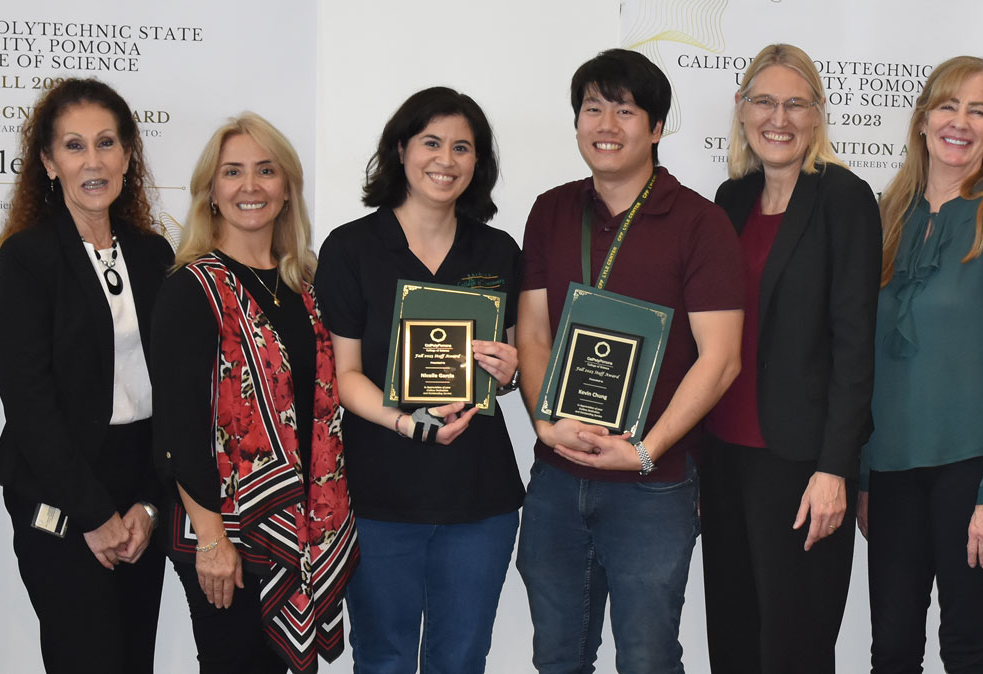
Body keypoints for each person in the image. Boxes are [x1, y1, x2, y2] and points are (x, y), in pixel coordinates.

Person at [514, 48, 743, 674]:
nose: (606, 125)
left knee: (646, 658)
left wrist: (644, 449)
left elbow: (720, 360)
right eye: (593, 109)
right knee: (557, 655)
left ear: (658, 127)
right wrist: (544, 425)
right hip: (557, 476)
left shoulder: (701, 222)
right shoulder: (551, 210)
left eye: (625, 110)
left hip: (654, 484)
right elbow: (531, 336)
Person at [315, 87, 522, 674]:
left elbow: (509, 366)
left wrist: (509, 372)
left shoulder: (499, 250)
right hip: (380, 495)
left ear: (478, 164)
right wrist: (409, 423)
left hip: (480, 498)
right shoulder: (351, 248)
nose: (446, 159)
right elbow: (345, 376)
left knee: (461, 659)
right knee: (384, 658)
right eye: (432, 142)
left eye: (463, 148)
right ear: (401, 149)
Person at [151, 113, 358, 674]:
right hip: (226, 530)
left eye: (266, 171)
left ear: (287, 189)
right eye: (232, 173)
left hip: (300, 522)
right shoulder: (190, 287)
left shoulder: (305, 284)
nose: (250, 187)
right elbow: (177, 427)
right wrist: (215, 540)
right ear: (211, 193)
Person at [0, 78, 174, 674]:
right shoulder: (27, 259)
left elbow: (173, 389)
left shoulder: (153, 254)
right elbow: (28, 401)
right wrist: (94, 515)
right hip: (59, 490)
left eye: (106, 143)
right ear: (47, 162)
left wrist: (147, 502)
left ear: (127, 155)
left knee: (133, 661)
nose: (93, 161)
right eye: (73, 146)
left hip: (138, 482)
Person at [858, 55, 983, 674]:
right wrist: (860, 475)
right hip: (890, 468)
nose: (960, 121)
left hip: (972, 468)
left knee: (967, 645)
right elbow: (861, 355)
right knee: (893, 648)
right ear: (923, 119)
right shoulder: (883, 214)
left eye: (978, 110)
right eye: (948, 105)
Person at [702, 44, 878, 674]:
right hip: (723, 456)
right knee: (733, 638)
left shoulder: (844, 197)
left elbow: (857, 344)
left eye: (796, 103)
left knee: (793, 648)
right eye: (765, 101)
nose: (779, 117)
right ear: (743, 110)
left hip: (802, 465)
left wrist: (837, 468)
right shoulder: (729, 199)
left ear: (817, 117)